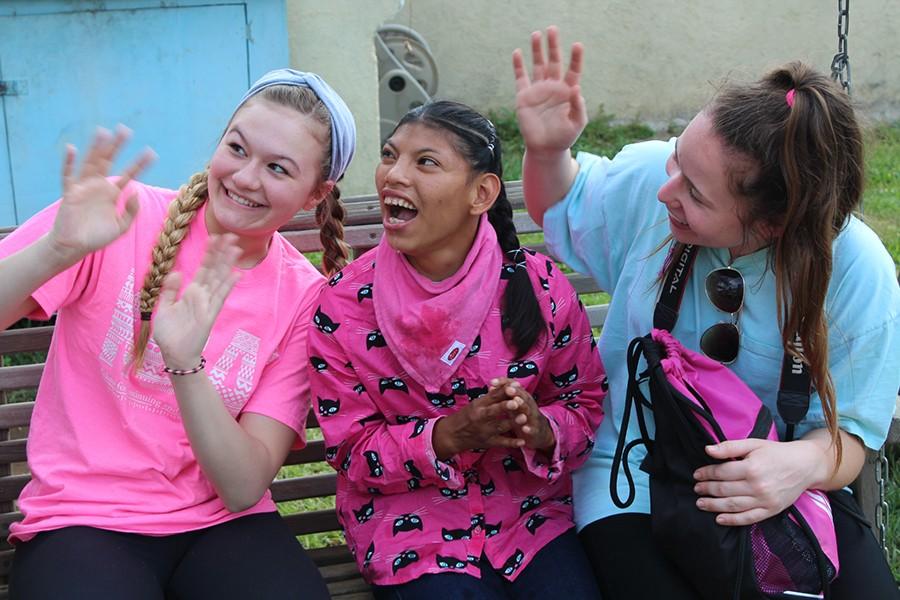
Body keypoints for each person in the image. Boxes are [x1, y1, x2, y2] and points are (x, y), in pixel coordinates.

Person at [513, 26, 900, 600]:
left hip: (783, 491)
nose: (667, 191)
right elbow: (560, 202)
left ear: (772, 225)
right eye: (677, 160)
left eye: (695, 193)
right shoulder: (657, 181)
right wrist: (548, 152)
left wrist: (795, 466)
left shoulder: (855, 269)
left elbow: (852, 435)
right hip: (634, 483)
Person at [0, 68, 356, 599]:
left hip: (219, 527)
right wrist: (57, 249)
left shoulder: (303, 297)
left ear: (315, 194)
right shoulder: (123, 217)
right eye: (237, 148)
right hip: (83, 518)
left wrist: (187, 365)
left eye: (278, 168)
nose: (245, 177)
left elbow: (240, 488)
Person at [307, 100, 606, 599]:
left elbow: (586, 404)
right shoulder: (344, 306)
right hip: (410, 529)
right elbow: (352, 451)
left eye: (425, 162)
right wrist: (447, 436)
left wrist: (539, 427)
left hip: (528, 524)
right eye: (389, 155)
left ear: (481, 193)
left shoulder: (539, 288)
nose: (393, 175)